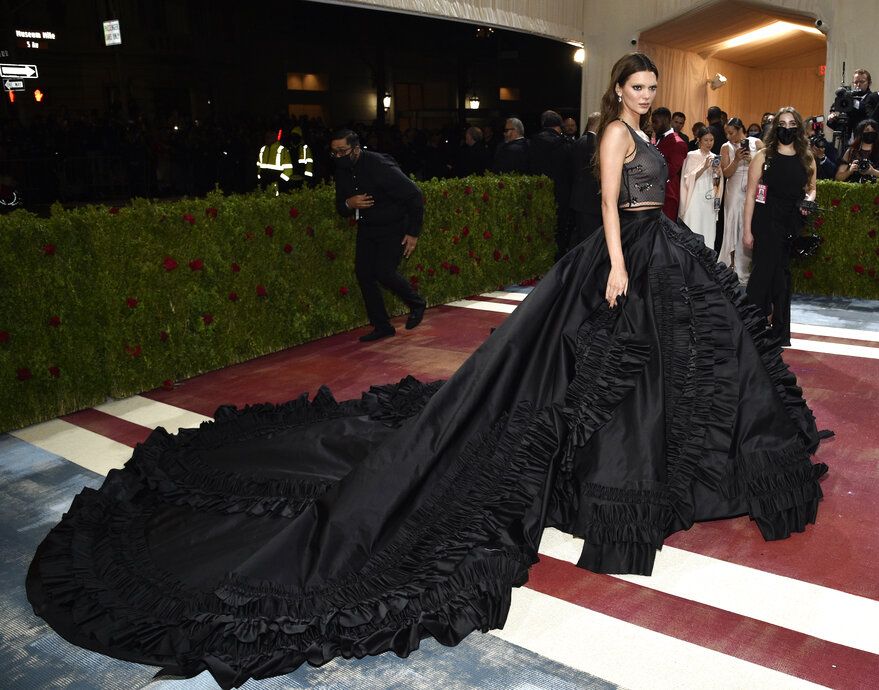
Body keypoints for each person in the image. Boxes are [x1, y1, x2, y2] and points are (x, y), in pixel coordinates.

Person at [26, 53, 828, 689]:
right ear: (617, 90)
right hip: (628, 261)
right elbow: (611, 206)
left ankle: (652, 477)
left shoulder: (651, 132)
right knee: (599, 383)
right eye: (637, 84)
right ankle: (609, 482)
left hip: (664, 258)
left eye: (653, 86)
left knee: (654, 382)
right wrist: (617, 269)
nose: (646, 94)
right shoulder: (616, 137)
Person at [331, 129, 427, 341]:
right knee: (364, 273)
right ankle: (382, 326)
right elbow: (340, 205)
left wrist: (413, 233)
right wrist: (350, 203)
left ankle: (417, 303)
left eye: (342, 151)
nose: (338, 156)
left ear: (355, 149)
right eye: (334, 152)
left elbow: (415, 195)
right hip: (367, 228)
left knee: (384, 272)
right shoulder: (342, 169)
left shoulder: (380, 165)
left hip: (393, 227)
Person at [743, 107, 817, 347]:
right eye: (782, 123)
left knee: (783, 277)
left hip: (791, 222)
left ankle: (779, 332)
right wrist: (746, 230)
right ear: (775, 128)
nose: (787, 128)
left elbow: (812, 187)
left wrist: (809, 200)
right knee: (763, 273)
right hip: (765, 220)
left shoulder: (806, 157)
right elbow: (751, 195)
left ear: (799, 127)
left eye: (791, 123)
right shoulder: (764, 156)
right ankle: (751, 327)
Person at [718, 118, 762, 283]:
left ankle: (745, 267)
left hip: (752, 188)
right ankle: (730, 265)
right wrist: (736, 159)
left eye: (731, 132)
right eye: (726, 133)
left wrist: (752, 160)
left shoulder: (757, 143)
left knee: (747, 225)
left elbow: (766, 168)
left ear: (740, 129)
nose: (729, 137)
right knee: (732, 225)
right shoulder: (725, 147)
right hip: (734, 189)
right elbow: (726, 173)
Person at [529, 110, 574, 258]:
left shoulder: (532, 143)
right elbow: (570, 171)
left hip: (538, 191)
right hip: (561, 192)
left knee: (540, 228)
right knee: (559, 229)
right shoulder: (565, 144)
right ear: (559, 126)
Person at [678, 126, 720, 249]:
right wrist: (704, 167)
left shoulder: (715, 156)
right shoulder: (692, 155)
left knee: (708, 229)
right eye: (706, 140)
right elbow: (688, 179)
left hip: (709, 197)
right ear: (699, 140)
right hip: (694, 196)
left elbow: (717, 182)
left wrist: (717, 172)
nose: (709, 143)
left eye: (711, 140)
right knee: (694, 225)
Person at [568, 112, 602, 247]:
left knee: (581, 238)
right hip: (591, 201)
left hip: (578, 198)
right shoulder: (593, 144)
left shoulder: (578, 141)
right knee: (589, 241)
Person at [651, 106, 688, 221]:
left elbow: (670, 171)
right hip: (654, 193)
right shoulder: (657, 138)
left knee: (666, 233)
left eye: (655, 122)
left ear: (666, 121)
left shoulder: (678, 143)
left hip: (668, 196)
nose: (653, 125)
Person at [256, 129, 293, 196]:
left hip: (278, 185)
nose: (266, 139)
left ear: (274, 138)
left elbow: (289, 170)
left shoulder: (283, 150)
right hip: (264, 183)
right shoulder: (263, 149)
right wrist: (259, 178)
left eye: (269, 137)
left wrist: (279, 182)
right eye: (266, 137)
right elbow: (259, 165)